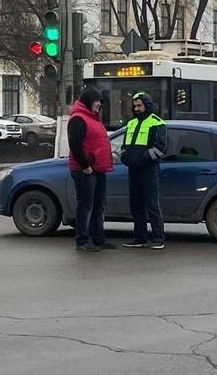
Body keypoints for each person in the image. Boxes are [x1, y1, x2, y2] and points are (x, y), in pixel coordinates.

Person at [67, 88, 115, 252]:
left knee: (98, 205)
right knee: (86, 205)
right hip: (85, 170)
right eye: (97, 101)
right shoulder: (78, 119)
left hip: (98, 168)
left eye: (101, 102)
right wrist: (85, 166)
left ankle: (98, 239)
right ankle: (82, 240)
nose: (99, 105)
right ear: (88, 101)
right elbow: (75, 145)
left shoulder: (93, 118)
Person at [121, 92, 167, 250]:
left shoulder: (157, 123)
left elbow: (160, 148)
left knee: (152, 204)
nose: (136, 108)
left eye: (139, 105)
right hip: (133, 170)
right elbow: (124, 146)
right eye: (135, 106)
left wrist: (143, 158)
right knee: (136, 205)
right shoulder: (131, 123)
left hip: (149, 170)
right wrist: (124, 156)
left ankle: (158, 238)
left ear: (147, 105)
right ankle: (139, 237)